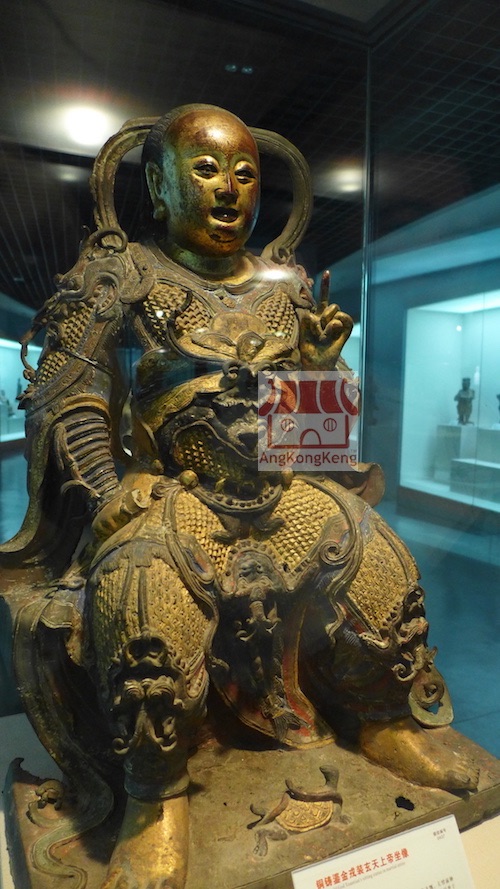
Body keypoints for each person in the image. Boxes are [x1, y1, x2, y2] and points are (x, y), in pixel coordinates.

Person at [0, 105, 478, 889]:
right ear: (159, 186)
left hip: (282, 490)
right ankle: (156, 798)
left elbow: (316, 434)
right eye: (205, 169)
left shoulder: (283, 286)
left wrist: (319, 369)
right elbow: (72, 393)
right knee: (144, 587)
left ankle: (387, 725)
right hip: (177, 494)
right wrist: (111, 488)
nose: (227, 188)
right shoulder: (121, 276)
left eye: (245, 174)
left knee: (376, 556)